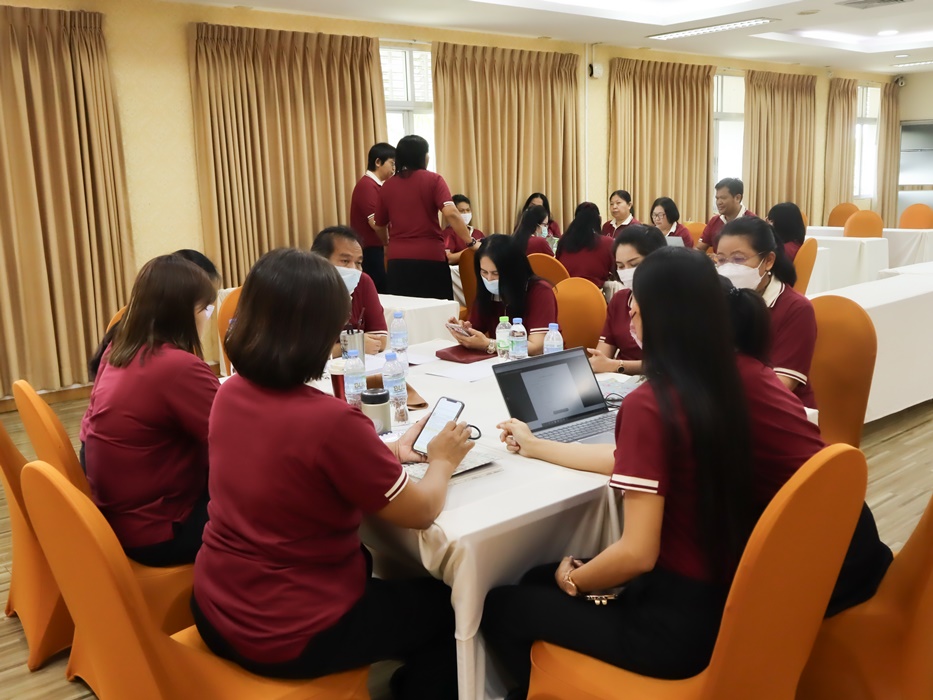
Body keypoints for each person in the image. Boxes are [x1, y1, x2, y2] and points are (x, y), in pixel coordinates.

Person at [483, 247, 892, 699]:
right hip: (806, 569)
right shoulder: (748, 373)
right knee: (542, 580)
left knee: (506, 605)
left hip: (686, 624)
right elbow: (632, 459)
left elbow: (637, 554)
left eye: (635, 304)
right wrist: (539, 446)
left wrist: (574, 582)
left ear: (658, 317)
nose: (629, 312)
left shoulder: (652, 402)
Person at [192, 248, 472, 699]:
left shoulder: (229, 392)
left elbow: (294, 466)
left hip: (215, 604)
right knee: (456, 605)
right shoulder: (331, 422)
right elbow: (421, 511)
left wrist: (387, 453)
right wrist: (442, 459)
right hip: (289, 632)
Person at [83, 255, 220, 566]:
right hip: (160, 531)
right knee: (276, 502)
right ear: (183, 313)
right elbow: (237, 443)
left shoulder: (120, 349)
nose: (208, 319)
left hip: (119, 517)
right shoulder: (178, 368)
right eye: (206, 309)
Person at [716, 216, 816, 408]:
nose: (728, 268)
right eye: (721, 260)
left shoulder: (796, 308)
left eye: (738, 259)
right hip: (727, 403)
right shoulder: (718, 300)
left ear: (768, 261)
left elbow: (782, 385)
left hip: (779, 410)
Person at [374, 135, 471, 300]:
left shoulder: (387, 186)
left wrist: (387, 243)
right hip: (430, 256)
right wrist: (470, 242)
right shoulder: (434, 180)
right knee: (438, 310)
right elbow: (451, 213)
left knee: (404, 310)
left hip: (398, 259)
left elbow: (379, 225)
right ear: (424, 157)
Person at [447, 234, 557, 356]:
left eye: (496, 273)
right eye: (484, 272)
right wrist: (465, 332)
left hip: (534, 362)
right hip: (501, 359)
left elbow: (537, 347)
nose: (489, 279)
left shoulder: (540, 291)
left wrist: (489, 344)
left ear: (513, 270)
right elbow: (476, 330)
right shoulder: (487, 291)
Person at [587, 225, 667, 375]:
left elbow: (670, 364)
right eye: (620, 266)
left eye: (634, 264)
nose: (627, 272)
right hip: (619, 381)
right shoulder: (619, 300)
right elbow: (602, 355)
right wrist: (600, 364)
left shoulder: (673, 302)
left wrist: (618, 365)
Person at [311, 226, 387, 356]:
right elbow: (305, 352)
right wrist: (354, 345)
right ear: (320, 261)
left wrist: (342, 347)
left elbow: (380, 339)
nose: (353, 269)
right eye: (345, 261)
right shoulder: (305, 289)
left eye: (358, 263)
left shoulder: (363, 281)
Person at [349, 142, 396, 292]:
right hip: (369, 250)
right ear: (378, 162)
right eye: (392, 164)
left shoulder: (378, 186)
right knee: (378, 291)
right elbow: (376, 223)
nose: (394, 169)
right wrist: (387, 243)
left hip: (376, 248)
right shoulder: (366, 186)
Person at [556, 202, 614, 286]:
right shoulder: (607, 243)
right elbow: (617, 271)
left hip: (565, 289)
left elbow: (558, 266)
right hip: (595, 291)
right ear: (599, 219)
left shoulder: (564, 240)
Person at [697, 178, 756, 253]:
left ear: (737, 198)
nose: (718, 202)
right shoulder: (714, 221)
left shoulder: (753, 223)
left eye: (723, 198)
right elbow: (699, 249)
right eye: (717, 198)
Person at [445, 194, 485, 265]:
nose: (466, 213)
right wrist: (472, 247)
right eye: (462, 211)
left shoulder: (478, 233)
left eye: (468, 210)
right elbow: (448, 259)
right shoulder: (448, 233)